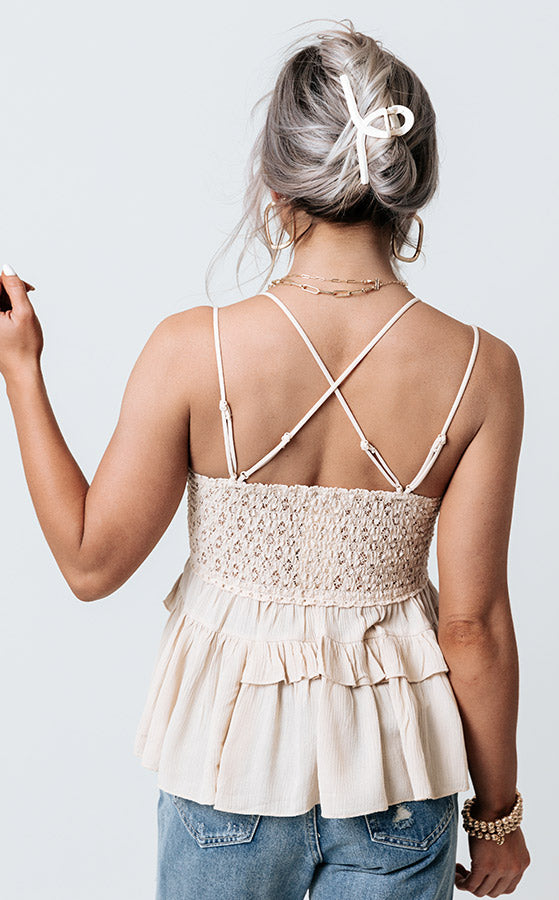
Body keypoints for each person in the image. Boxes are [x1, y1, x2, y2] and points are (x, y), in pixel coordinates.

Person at [0, 19, 531, 900]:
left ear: (277, 178)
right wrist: (498, 818)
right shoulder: (482, 370)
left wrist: (21, 371)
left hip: (228, 772)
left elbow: (90, 564)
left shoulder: (190, 351)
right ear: (411, 179)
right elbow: (472, 629)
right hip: (399, 786)